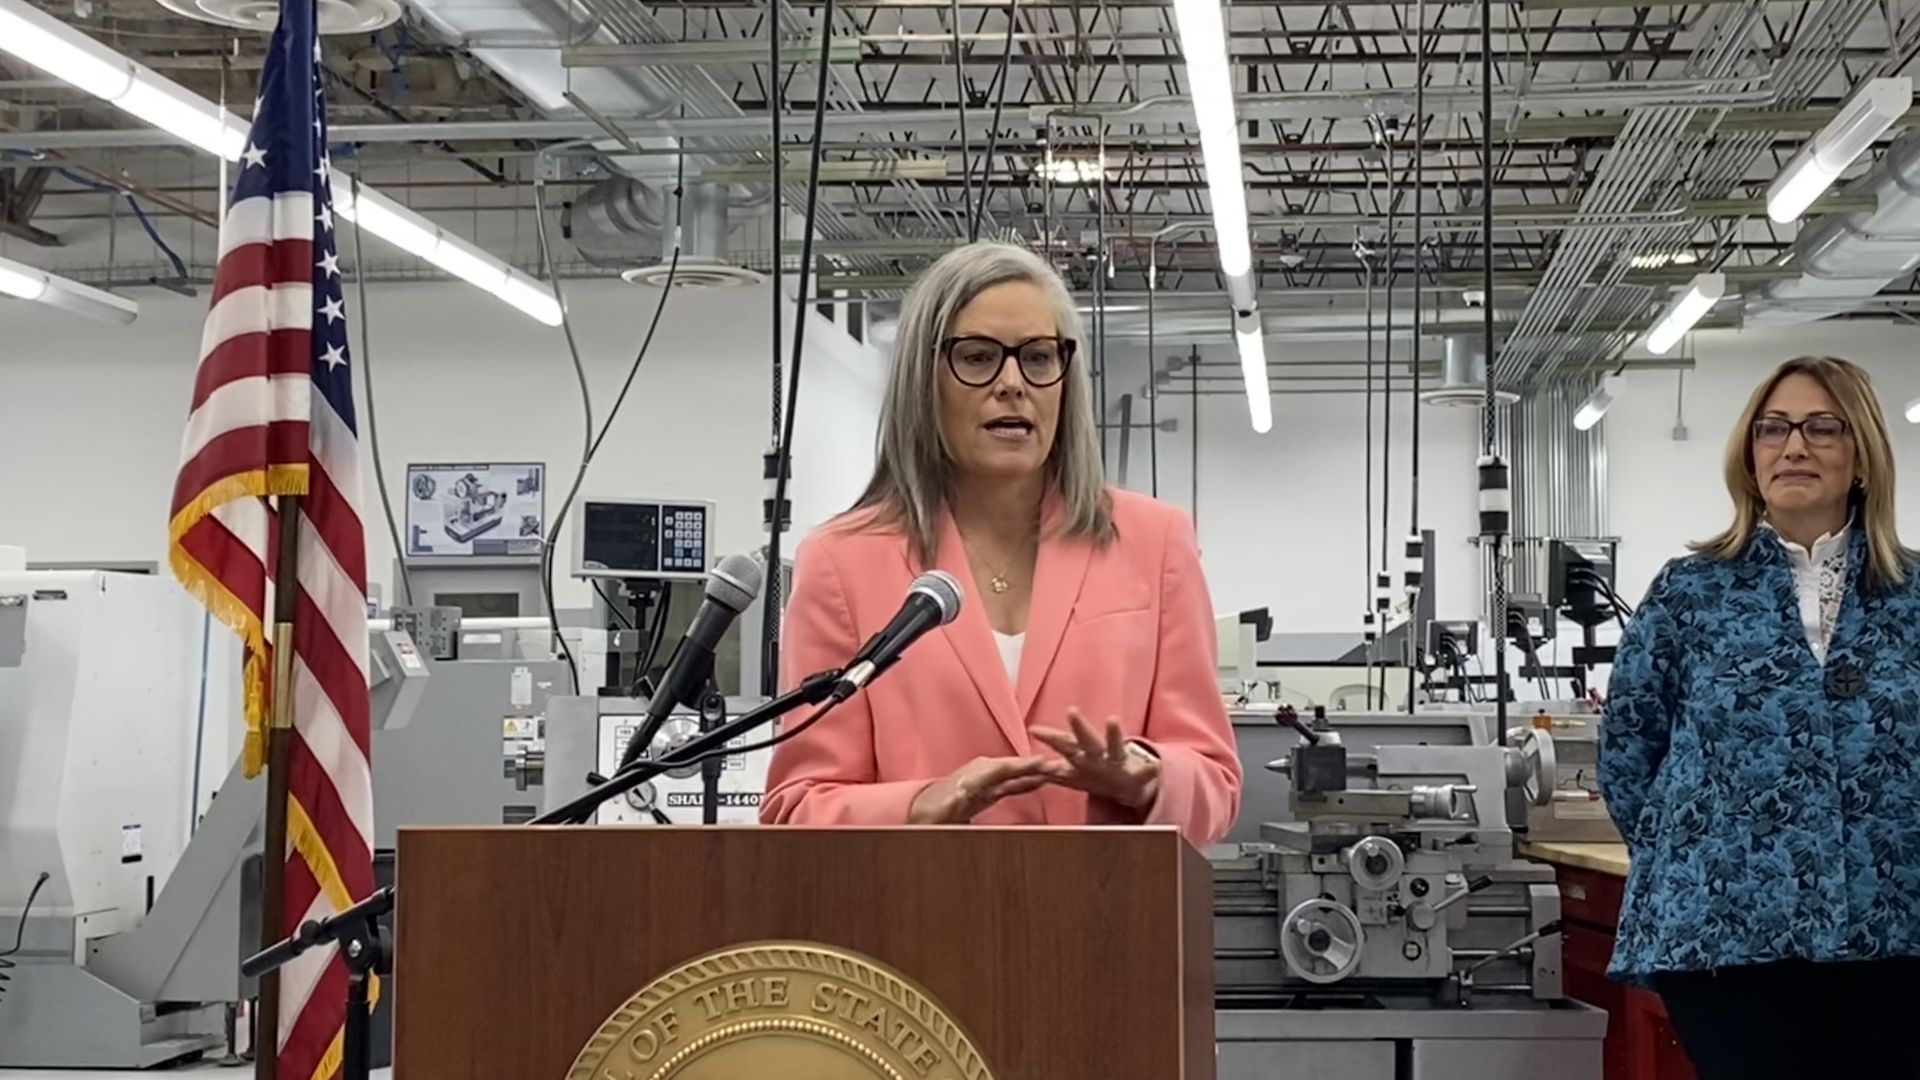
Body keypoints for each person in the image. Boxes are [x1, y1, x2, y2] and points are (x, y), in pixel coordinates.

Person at [759, 242, 1242, 847]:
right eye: (978, 357)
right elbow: (798, 806)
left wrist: (1149, 776)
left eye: (1038, 357)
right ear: (923, 380)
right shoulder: (842, 562)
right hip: (923, 906)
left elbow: (1216, 782)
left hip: (1107, 903)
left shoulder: (1155, 542)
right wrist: (919, 805)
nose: (1013, 384)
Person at [1600, 356, 1920, 1078]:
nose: (1794, 446)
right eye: (1773, 429)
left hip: (1896, 925)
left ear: (1863, 454)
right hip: (1729, 932)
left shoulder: (1913, 595)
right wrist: (1699, 855)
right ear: (1750, 456)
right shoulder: (1690, 594)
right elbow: (1628, 751)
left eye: (1822, 428)